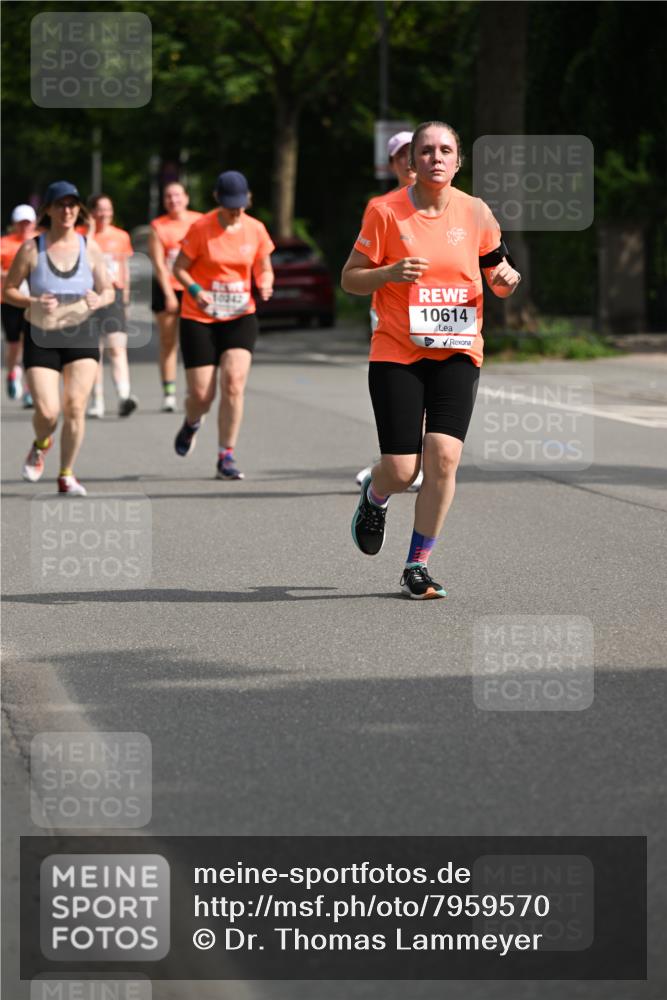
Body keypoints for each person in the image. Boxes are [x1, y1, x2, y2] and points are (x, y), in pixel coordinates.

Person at [341, 121, 521, 599]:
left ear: (458, 161)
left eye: (445, 150)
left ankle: (416, 565)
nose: (436, 158)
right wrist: (390, 272)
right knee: (401, 470)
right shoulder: (386, 213)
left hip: (459, 349)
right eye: (426, 151)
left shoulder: (477, 212)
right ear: (411, 162)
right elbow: (350, 279)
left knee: (444, 457)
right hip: (398, 352)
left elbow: (495, 272)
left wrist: (505, 279)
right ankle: (375, 496)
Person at [4, 180, 114, 495]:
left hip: (81, 333)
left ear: (78, 210)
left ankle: (66, 474)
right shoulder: (31, 249)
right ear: (48, 210)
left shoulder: (88, 247)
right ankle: (41, 443)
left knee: (76, 406)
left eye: (72, 204)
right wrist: (33, 302)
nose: (67, 210)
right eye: (60, 204)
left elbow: (107, 289)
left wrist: (99, 299)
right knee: (49, 411)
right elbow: (8, 291)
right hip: (41, 334)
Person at [171, 170, 274, 480]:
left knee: (233, 383)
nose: (235, 211)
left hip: (240, 315)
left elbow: (264, 267)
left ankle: (225, 455)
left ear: (248, 200)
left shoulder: (255, 229)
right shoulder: (201, 228)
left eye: (240, 205)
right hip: (199, 317)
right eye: (230, 205)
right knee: (202, 395)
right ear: (218, 199)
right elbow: (179, 269)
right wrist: (196, 291)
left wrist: (265, 283)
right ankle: (192, 422)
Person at [355, 130, 424, 492]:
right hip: (389, 312)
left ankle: (414, 462)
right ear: (393, 163)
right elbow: (363, 264)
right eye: (401, 156)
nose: (408, 161)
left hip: (434, 312)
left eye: (414, 153)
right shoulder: (380, 206)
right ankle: (394, 460)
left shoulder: (446, 205)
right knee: (399, 391)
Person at [148, 183, 202, 411]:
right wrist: (169, 294)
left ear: (186, 198)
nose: (173, 199)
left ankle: (194, 389)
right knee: (168, 342)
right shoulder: (158, 226)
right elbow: (159, 264)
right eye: (168, 196)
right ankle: (168, 392)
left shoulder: (199, 221)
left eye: (177, 195)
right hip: (167, 287)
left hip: (194, 288)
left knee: (194, 341)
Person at [86, 194, 138, 418]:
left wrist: (125, 297)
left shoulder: (121, 236)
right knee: (94, 352)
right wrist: (88, 230)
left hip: (113, 295)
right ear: (91, 213)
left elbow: (124, 266)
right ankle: (96, 400)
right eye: (100, 210)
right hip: (89, 295)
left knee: (117, 348)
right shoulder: (82, 237)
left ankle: (124, 396)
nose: (105, 214)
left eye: (108, 209)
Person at [1, 204, 37, 405]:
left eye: (28, 223)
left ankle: (29, 389)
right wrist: (13, 275)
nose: (25, 227)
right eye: (21, 223)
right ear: (14, 224)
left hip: (32, 301)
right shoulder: (4, 244)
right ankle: (12, 373)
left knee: (31, 344)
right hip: (9, 300)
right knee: (14, 344)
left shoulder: (40, 242)